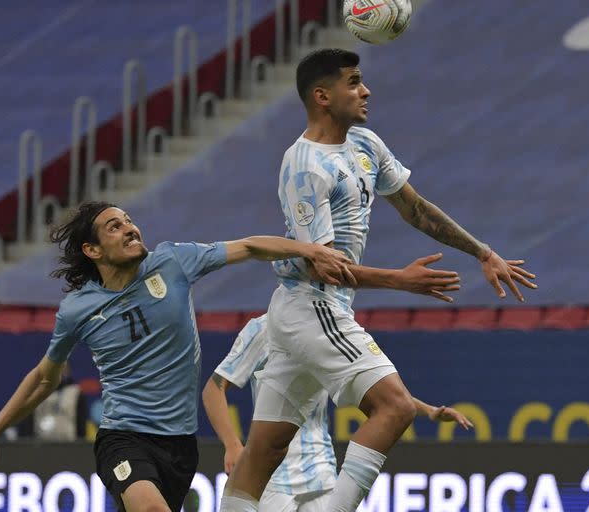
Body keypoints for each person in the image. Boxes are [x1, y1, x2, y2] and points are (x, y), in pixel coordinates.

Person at [219, 48, 537, 512]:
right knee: (396, 407)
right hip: (314, 304)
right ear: (322, 96)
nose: (365, 90)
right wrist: (399, 280)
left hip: (305, 310)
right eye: (353, 82)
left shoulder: (365, 144)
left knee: (262, 452)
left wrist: (482, 252)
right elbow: (319, 263)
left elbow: (415, 208)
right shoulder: (304, 165)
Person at [0, 201, 359, 512]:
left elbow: (251, 246)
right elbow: (44, 378)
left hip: (180, 447)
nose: (130, 228)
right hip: (124, 438)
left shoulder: (173, 262)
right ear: (92, 250)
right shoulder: (78, 309)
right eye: (114, 227)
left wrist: (309, 250)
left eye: (129, 221)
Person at [203, 314, 473, 512]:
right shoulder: (263, 329)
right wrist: (232, 445)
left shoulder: (329, 331)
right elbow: (214, 389)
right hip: (273, 475)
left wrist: (430, 411)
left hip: (320, 472)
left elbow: (377, 389)